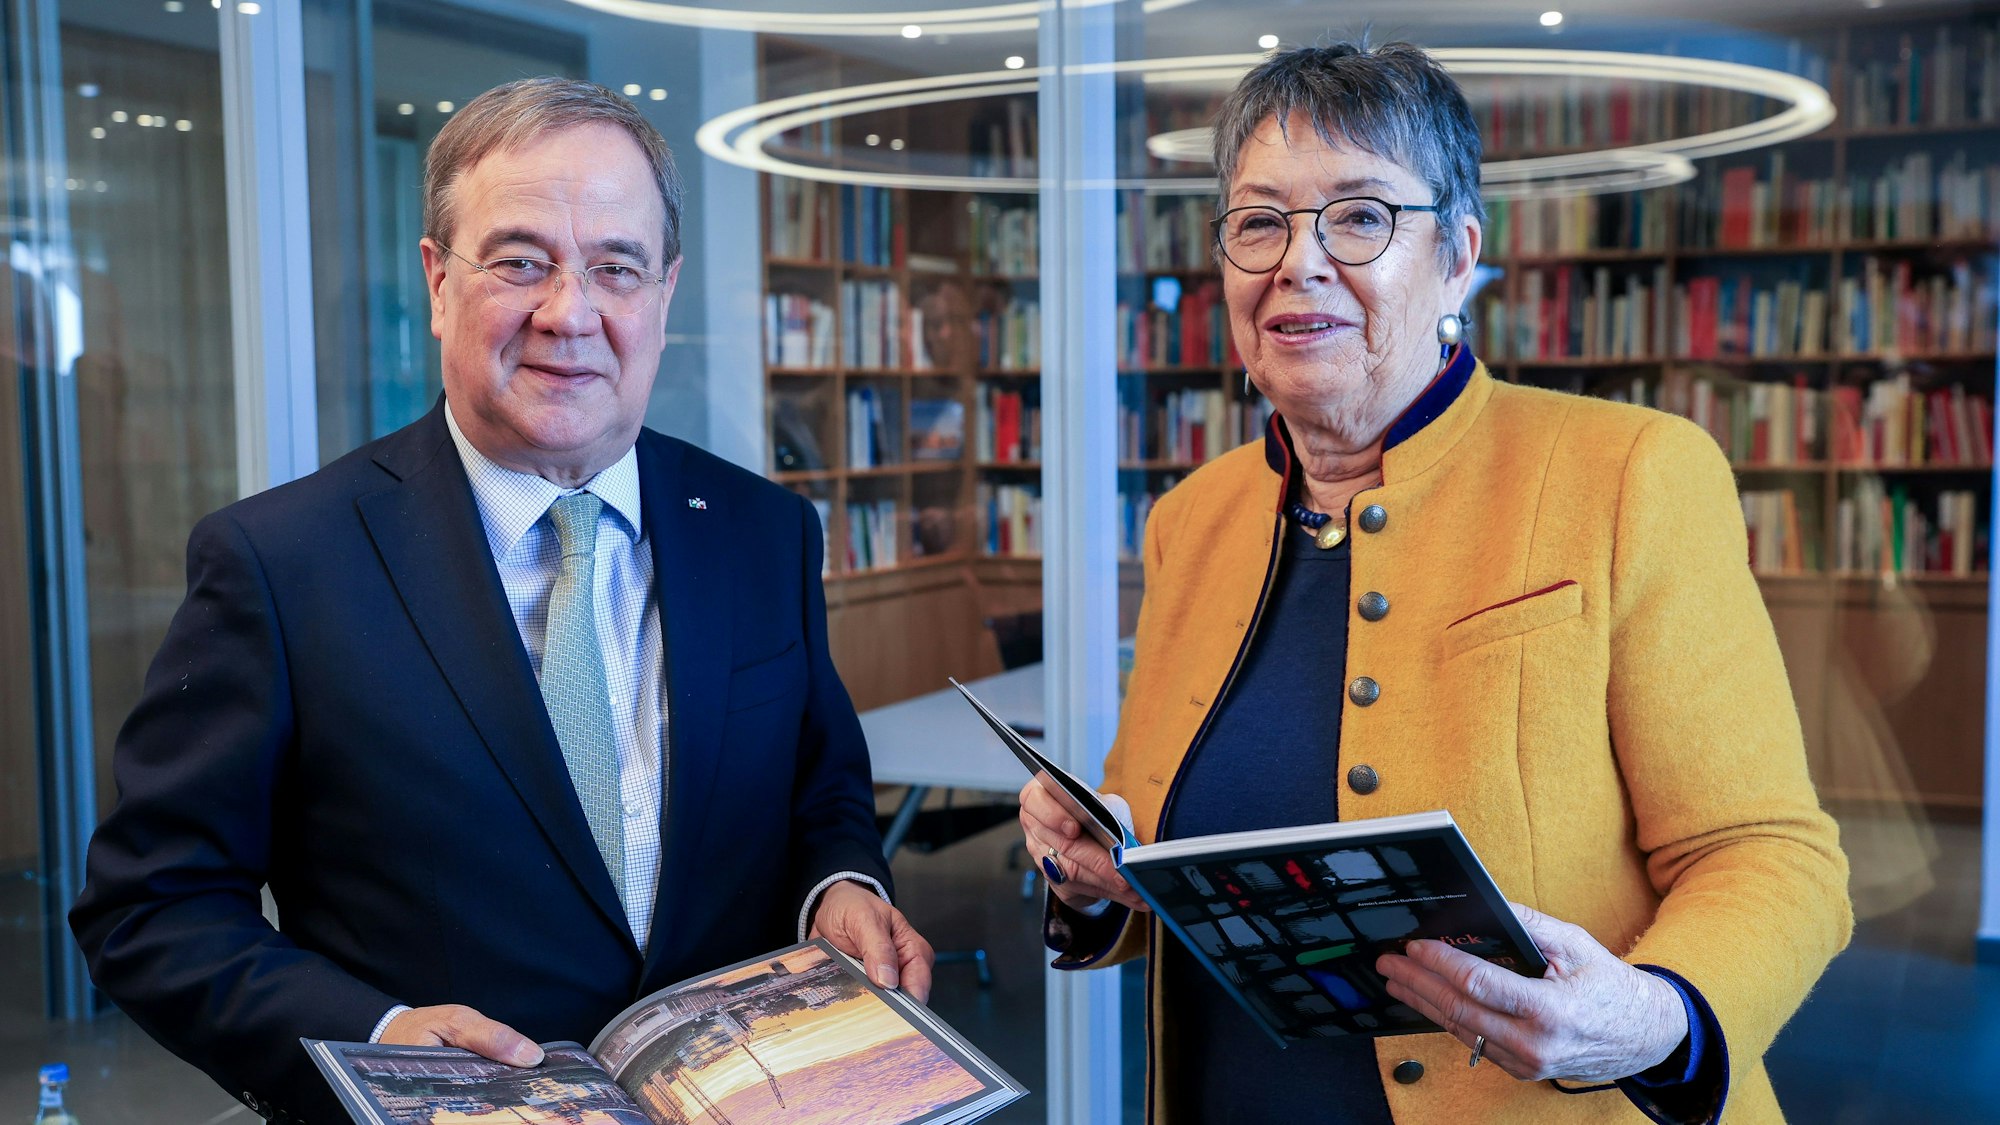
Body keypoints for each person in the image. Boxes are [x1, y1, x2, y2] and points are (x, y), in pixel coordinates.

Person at [70, 77, 932, 1124]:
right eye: (520, 262)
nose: (568, 314)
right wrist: (377, 1039)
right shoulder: (280, 561)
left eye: (615, 267)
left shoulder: (761, 531)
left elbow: (819, 791)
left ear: (663, 294)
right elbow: (152, 907)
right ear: (438, 283)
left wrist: (839, 887)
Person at [1018, 41, 1850, 1125]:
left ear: (1457, 256)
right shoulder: (1191, 520)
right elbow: (1171, 869)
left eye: (1359, 217)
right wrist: (1091, 879)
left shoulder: (1632, 475)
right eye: (1257, 221)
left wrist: (1655, 1017)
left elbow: (1770, 856)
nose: (1296, 263)